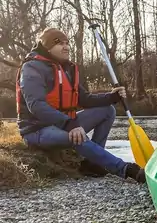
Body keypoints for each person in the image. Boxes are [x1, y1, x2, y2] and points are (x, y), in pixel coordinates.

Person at [15, 27, 146, 183]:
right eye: (59, 43)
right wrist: (69, 123)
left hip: (62, 124)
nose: (66, 47)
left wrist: (111, 97)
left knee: (107, 111)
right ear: (47, 47)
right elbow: (36, 105)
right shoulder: (31, 68)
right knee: (79, 137)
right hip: (37, 130)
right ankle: (127, 169)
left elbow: (84, 99)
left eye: (67, 43)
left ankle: (92, 163)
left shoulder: (66, 68)